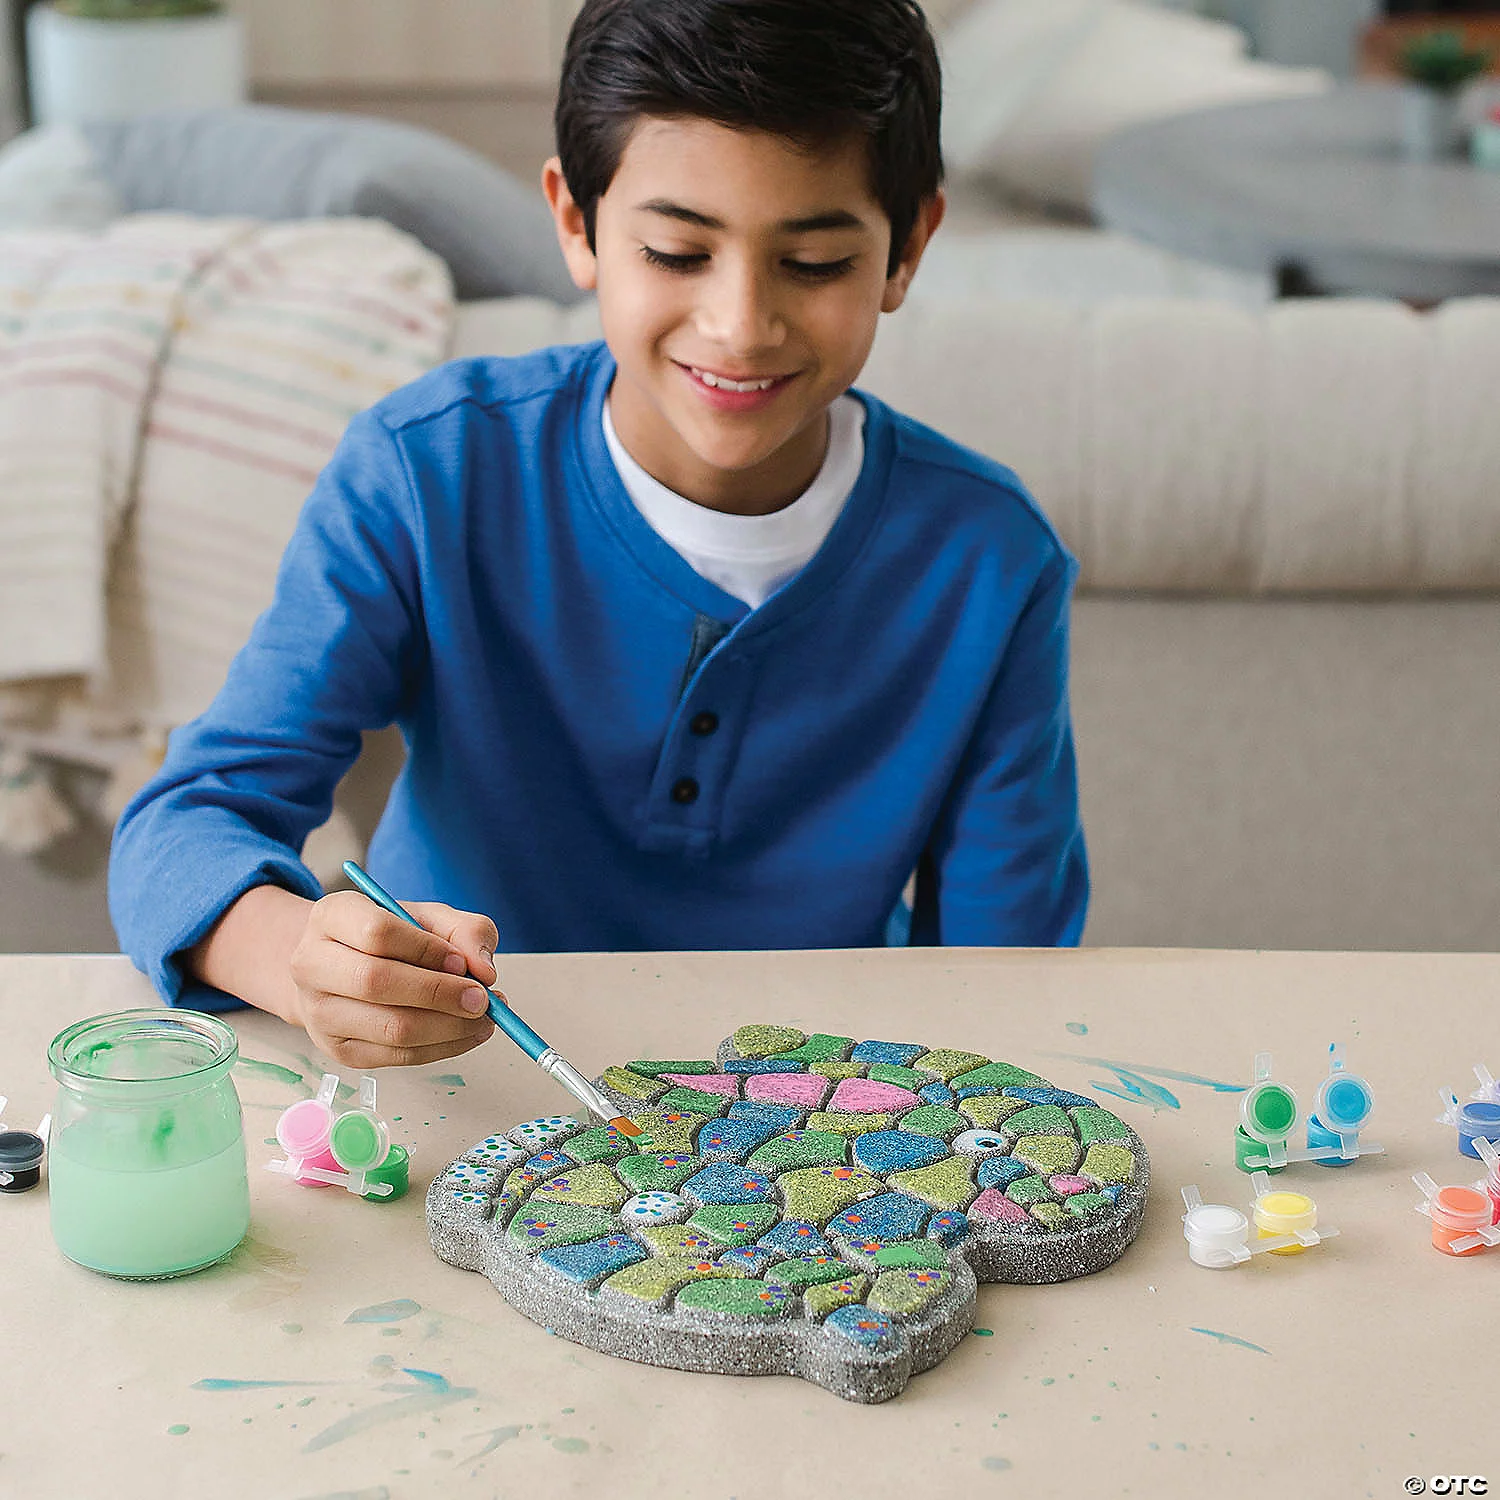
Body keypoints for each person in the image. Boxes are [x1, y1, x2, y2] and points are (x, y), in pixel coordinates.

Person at [108, 0, 1088, 1070]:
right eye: (676, 251)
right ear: (576, 224)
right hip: (467, 1081)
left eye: (812, 263)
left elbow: (1008, 979)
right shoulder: (429, 471)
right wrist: (300, 958)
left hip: (825, 1115)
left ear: (907, 249)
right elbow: (182, 827)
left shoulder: (992, 560)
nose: (740, 325)